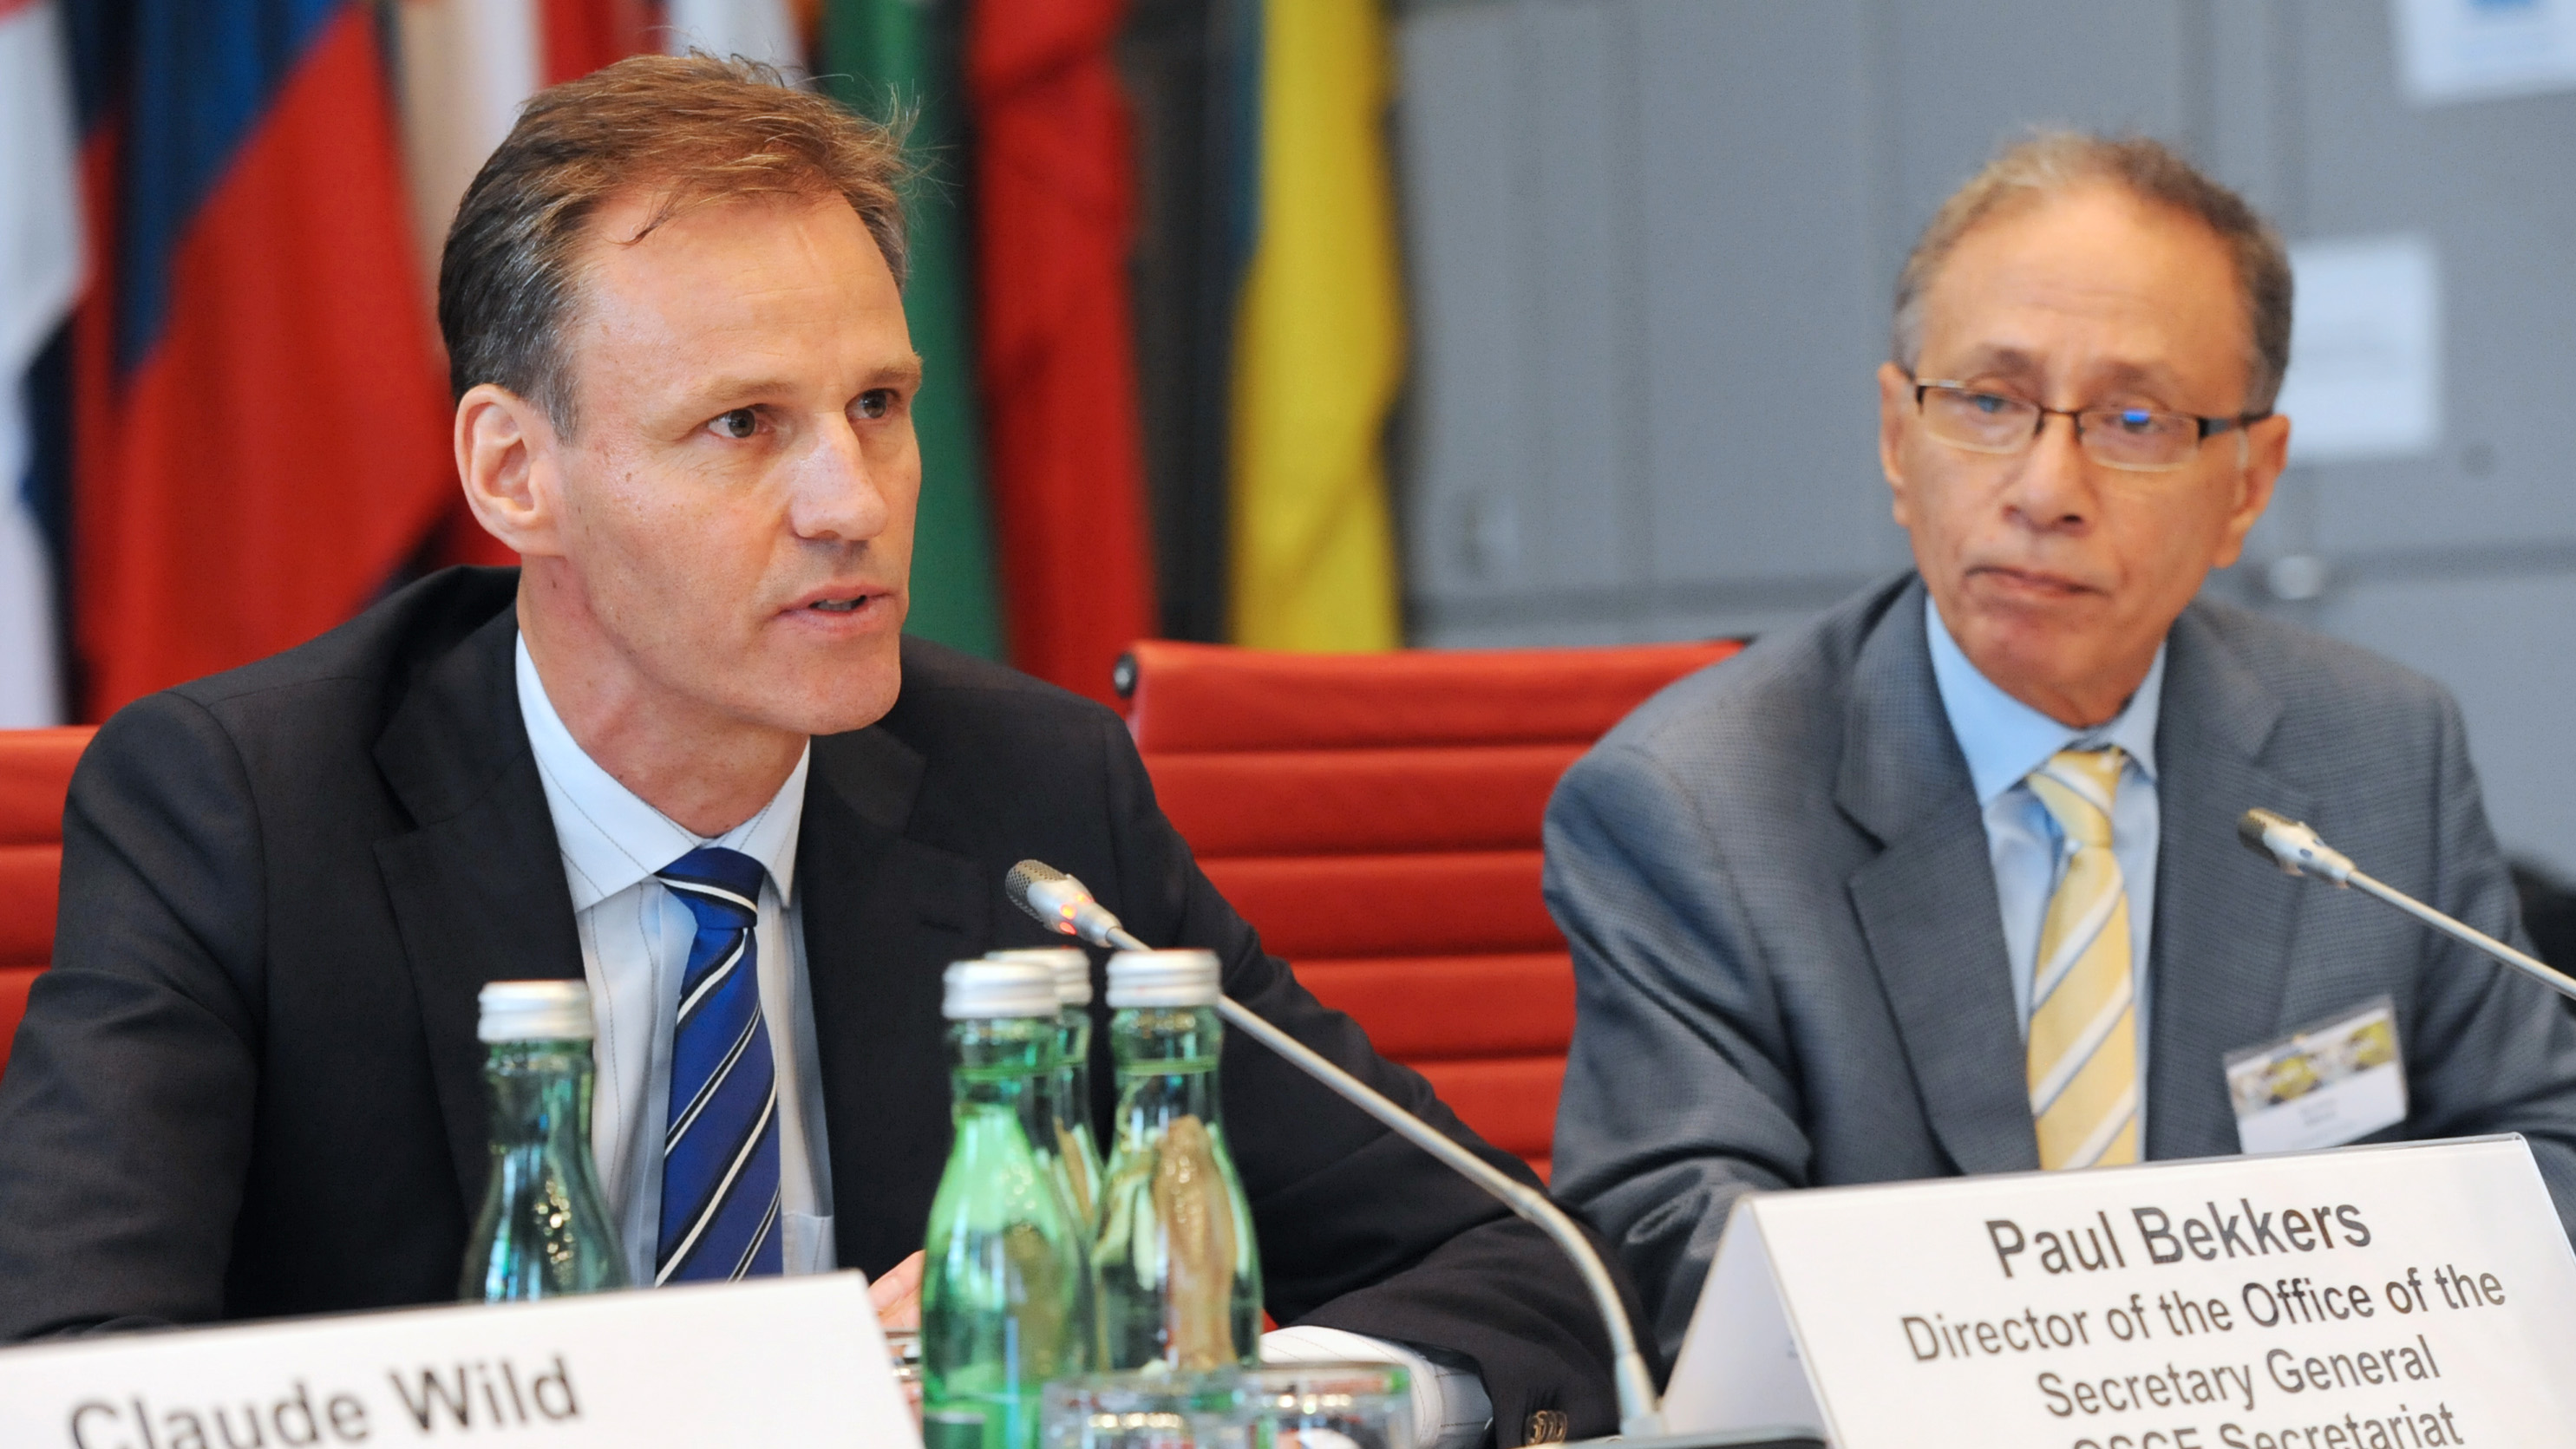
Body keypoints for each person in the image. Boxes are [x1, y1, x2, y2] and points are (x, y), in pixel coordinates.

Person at [0, 56, 1629, 1446]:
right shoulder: (246, 809)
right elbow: (67, 1383)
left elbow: (1530, 1264)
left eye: (879, 406)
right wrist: (773, 1384)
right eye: (744, 426)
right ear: (513, 473)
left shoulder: (1030, 798)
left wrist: (1231, 1405)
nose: (851, 500)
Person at [1544, 132, 2576, 1361]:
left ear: (2249, 484)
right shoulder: (1694, 804)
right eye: (1987, 403)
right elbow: (1672, 1239)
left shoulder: (2378, 749)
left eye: (2135, 420)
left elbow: (2540, 1154)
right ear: (1897, 440)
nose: (2045, 489)